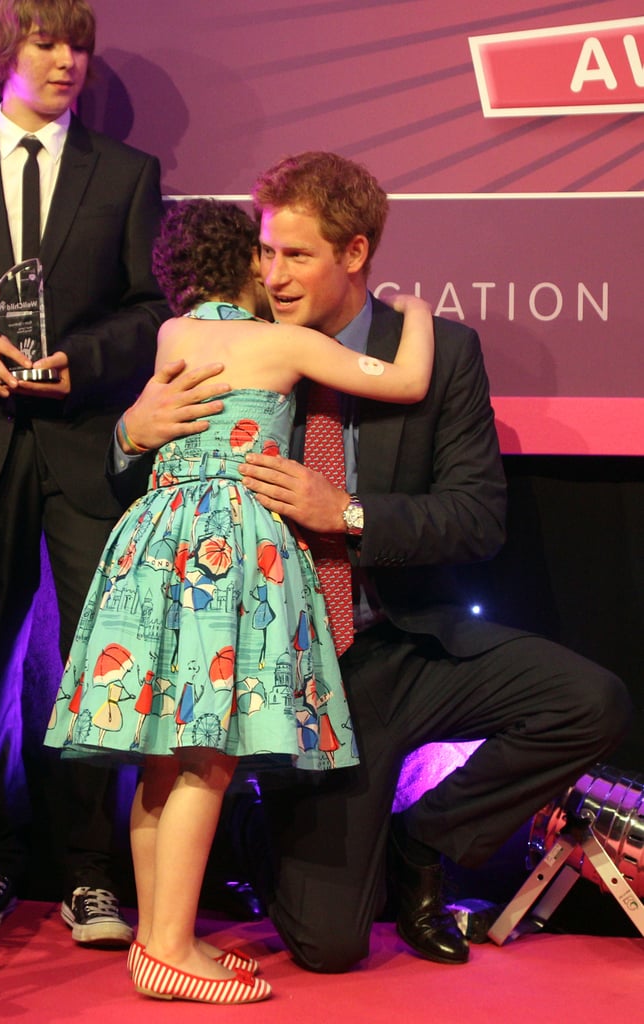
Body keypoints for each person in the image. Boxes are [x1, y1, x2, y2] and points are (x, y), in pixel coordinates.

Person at [114, 152, 632, 975]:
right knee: (330, 949)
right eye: (265, 250)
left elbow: (476, 517)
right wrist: (131, 431)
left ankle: (423, 840)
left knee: (590, 700)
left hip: (399, 647)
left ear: (354, 254)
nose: (271, 272)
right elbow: (144, 489)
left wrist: (345, 514)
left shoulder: (440, 353)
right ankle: (263, 819)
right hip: (285, 672)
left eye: (295, 255)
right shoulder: (224, 343)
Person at [43, 196, 433, 1002]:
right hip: (229, 552)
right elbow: (406, 378)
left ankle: (157, 940)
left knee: (160, 757)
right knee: (209, 754)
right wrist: (418, 311)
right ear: (254, 264)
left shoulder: (171, 335)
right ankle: (174, 948)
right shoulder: (284, 342)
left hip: (152, 543)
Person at [0, 0, 181, 945]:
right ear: (5, 49)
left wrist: (80, 363)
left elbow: (148, 308)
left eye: (80, 45)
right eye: (49, 43)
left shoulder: (128, 173)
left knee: (100, 662)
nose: (69, 62)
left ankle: (91, 875)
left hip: (85, 443)